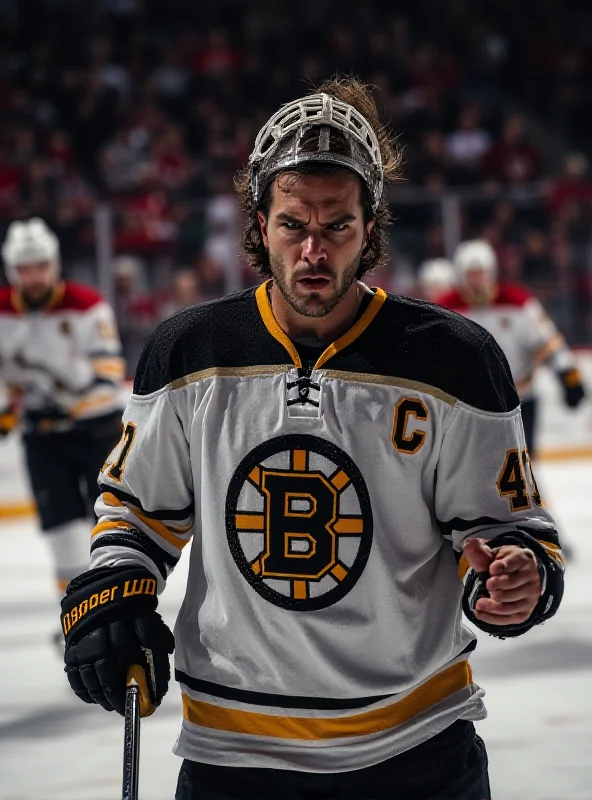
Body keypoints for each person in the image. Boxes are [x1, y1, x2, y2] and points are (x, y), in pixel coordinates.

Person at [60, 79, 565, 800]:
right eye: (294, 224)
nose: (313, 251)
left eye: (338, 226)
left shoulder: (455, 359)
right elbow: (136, 513)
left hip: (418, 749)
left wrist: (518, 577)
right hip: (234, 756)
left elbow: (507, 529)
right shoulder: (187, 351)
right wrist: (115, 589)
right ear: (260, 223)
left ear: (372, 229)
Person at [0, 218, 125, 608]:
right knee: (62, 532)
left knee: (111, 524)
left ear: (54, 264)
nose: (34, 277)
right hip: (42, 438)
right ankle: (76, 611)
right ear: (11, 270)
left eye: (40, 266)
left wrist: (67, 401)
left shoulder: (88, 306)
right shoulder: (3, 312)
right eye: (24, 269)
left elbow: (108, 378)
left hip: (96, 433)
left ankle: (116, 604)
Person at [438, 239, 586, 455]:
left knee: (523, 469)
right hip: (469, 405)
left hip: (520, 400)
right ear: (460, 276)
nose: (477, 280)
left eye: (481, 273)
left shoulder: (518, 302)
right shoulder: (446, 308)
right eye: (471, 274)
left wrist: (568, 375)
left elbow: (548, 343)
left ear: (492, 272)